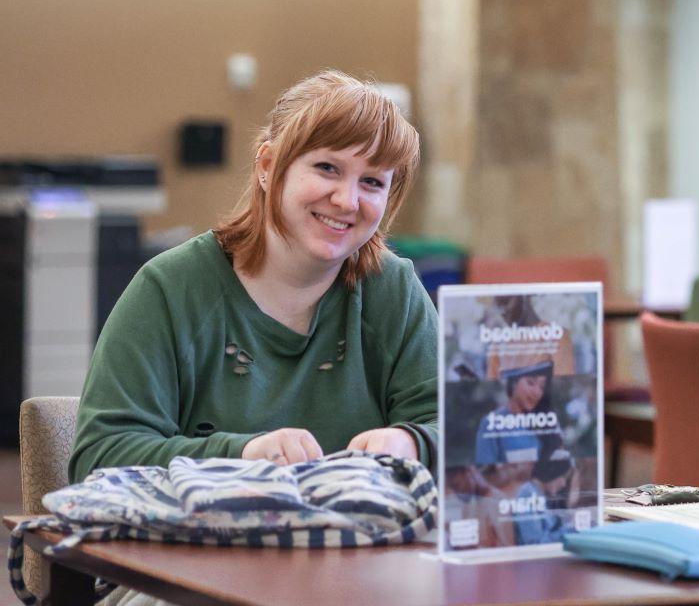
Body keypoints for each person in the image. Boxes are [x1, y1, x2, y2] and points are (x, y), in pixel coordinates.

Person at [70, 70, 439, 483]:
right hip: (201, 547)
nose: (347, 200)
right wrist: (242, 455)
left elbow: (464, 433)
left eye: (372, 182)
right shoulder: (170, 289)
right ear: (267, 166)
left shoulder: (395, 291)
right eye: (327, 168)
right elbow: (99, 456)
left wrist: (413, 442)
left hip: (363, 546)